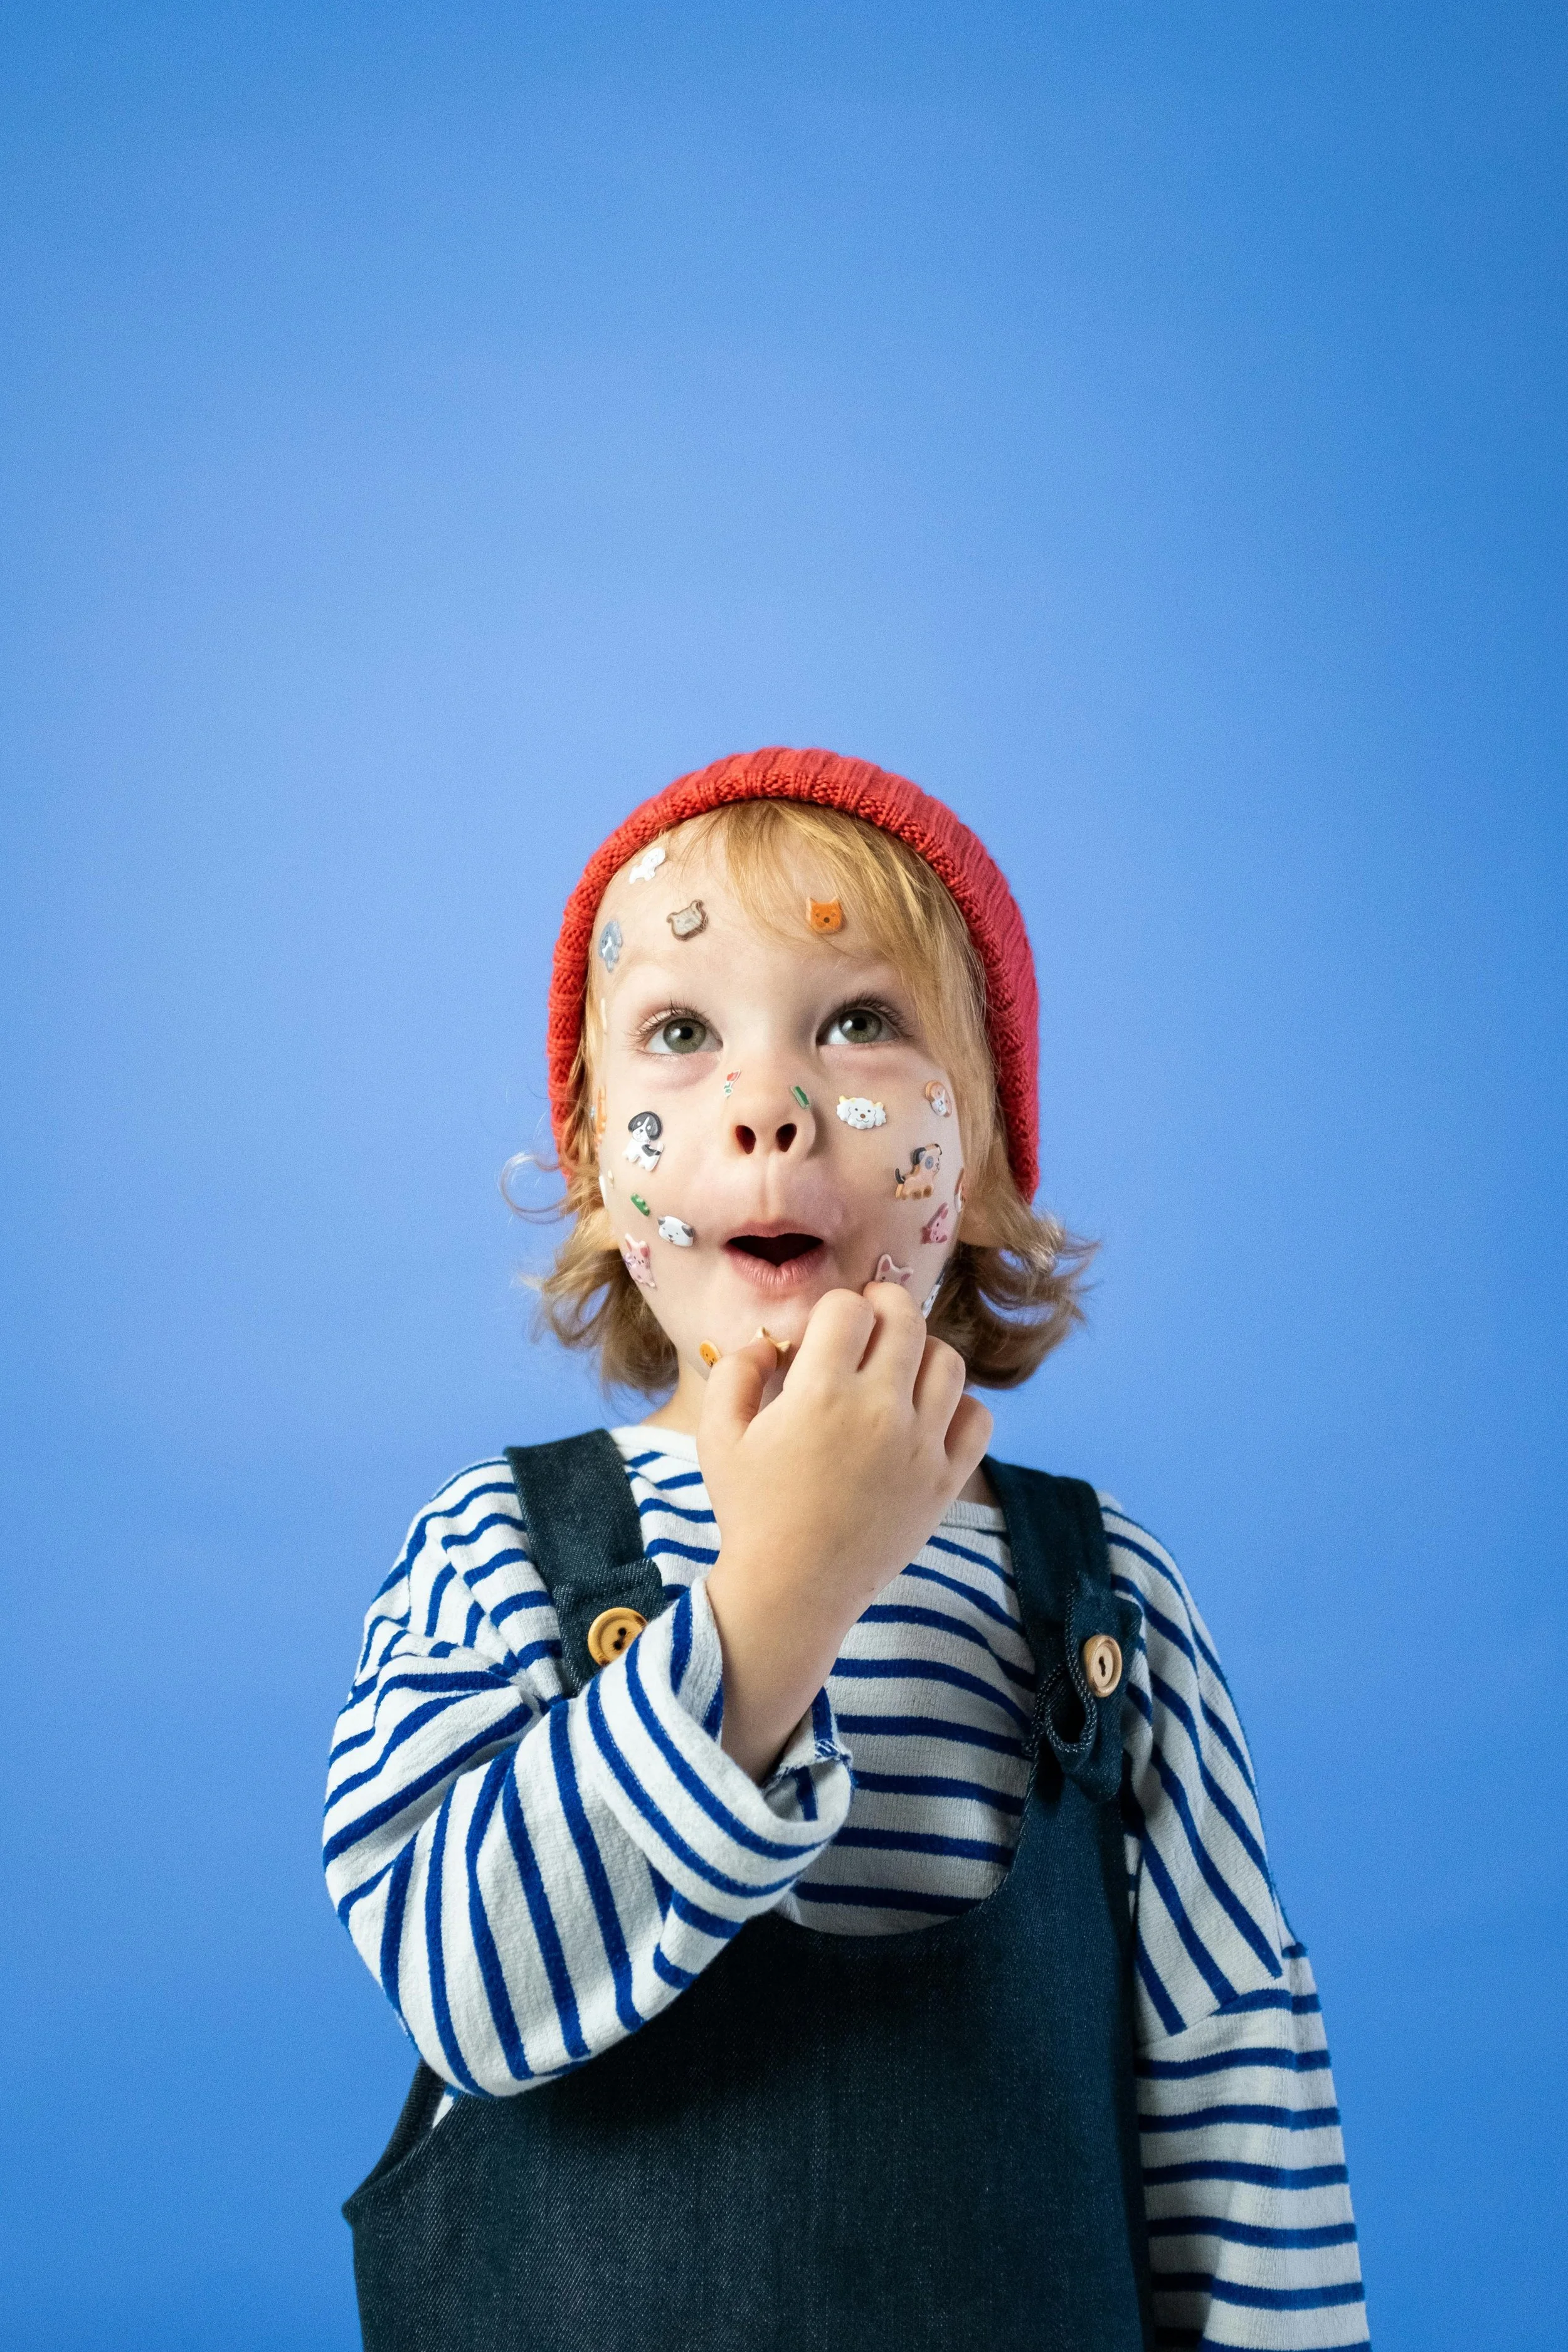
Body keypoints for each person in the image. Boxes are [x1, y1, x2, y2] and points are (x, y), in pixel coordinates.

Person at [324, 747, 1367, 2352]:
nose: (768, 1103)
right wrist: (777, 1595)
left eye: (860, 1022)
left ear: (988, 1157)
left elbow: (1240, 2101)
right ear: (597, 1168)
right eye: (678, 1033)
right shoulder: (499, 1554)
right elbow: (466, 1992)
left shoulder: (1103, 1604)